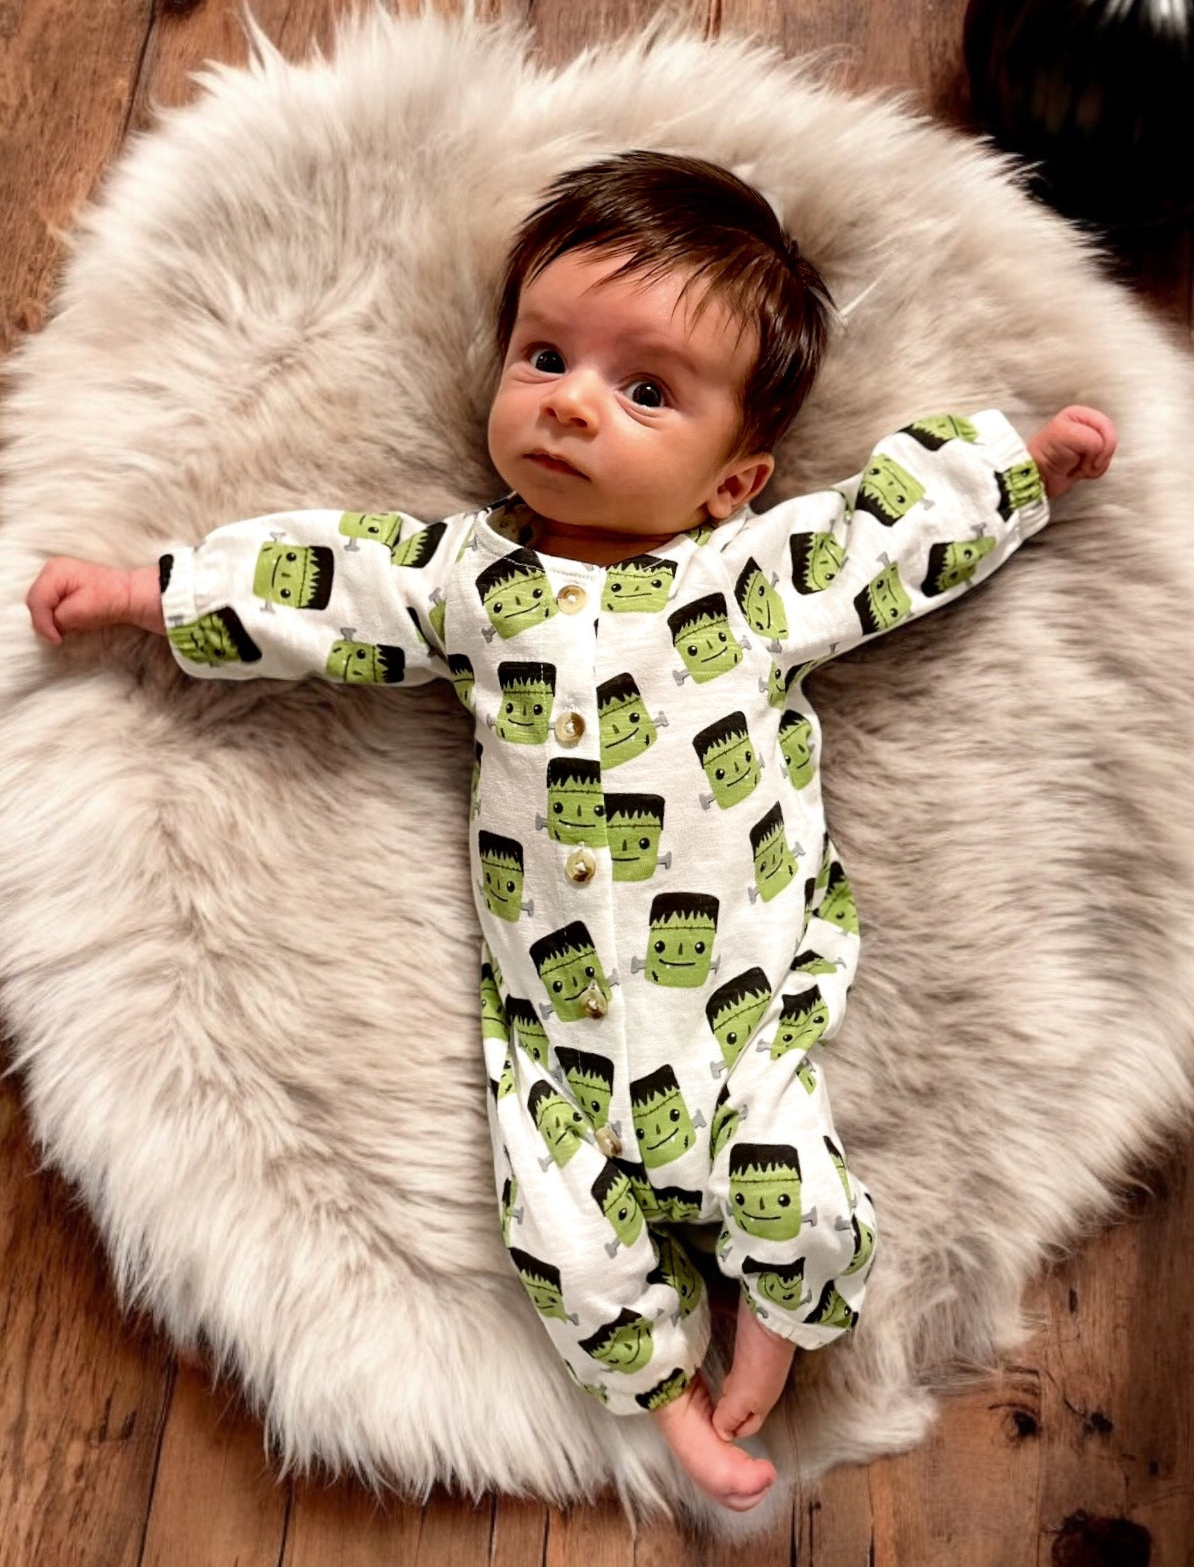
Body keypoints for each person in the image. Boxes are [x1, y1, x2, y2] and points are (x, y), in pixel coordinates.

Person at [25, 152, 1116, 1511]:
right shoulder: (472, 581)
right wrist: (144, 590)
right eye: (543, 355)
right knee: (560, 1241)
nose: (569, 404)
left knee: (806, 1212)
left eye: (644, 390)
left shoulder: (750, 582)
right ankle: (671, 1412)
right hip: (556, 1043)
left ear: (732, 481)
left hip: (738, 1027)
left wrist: (1018, 470)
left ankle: (762, 1349)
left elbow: (881, 538)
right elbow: (324, 586)